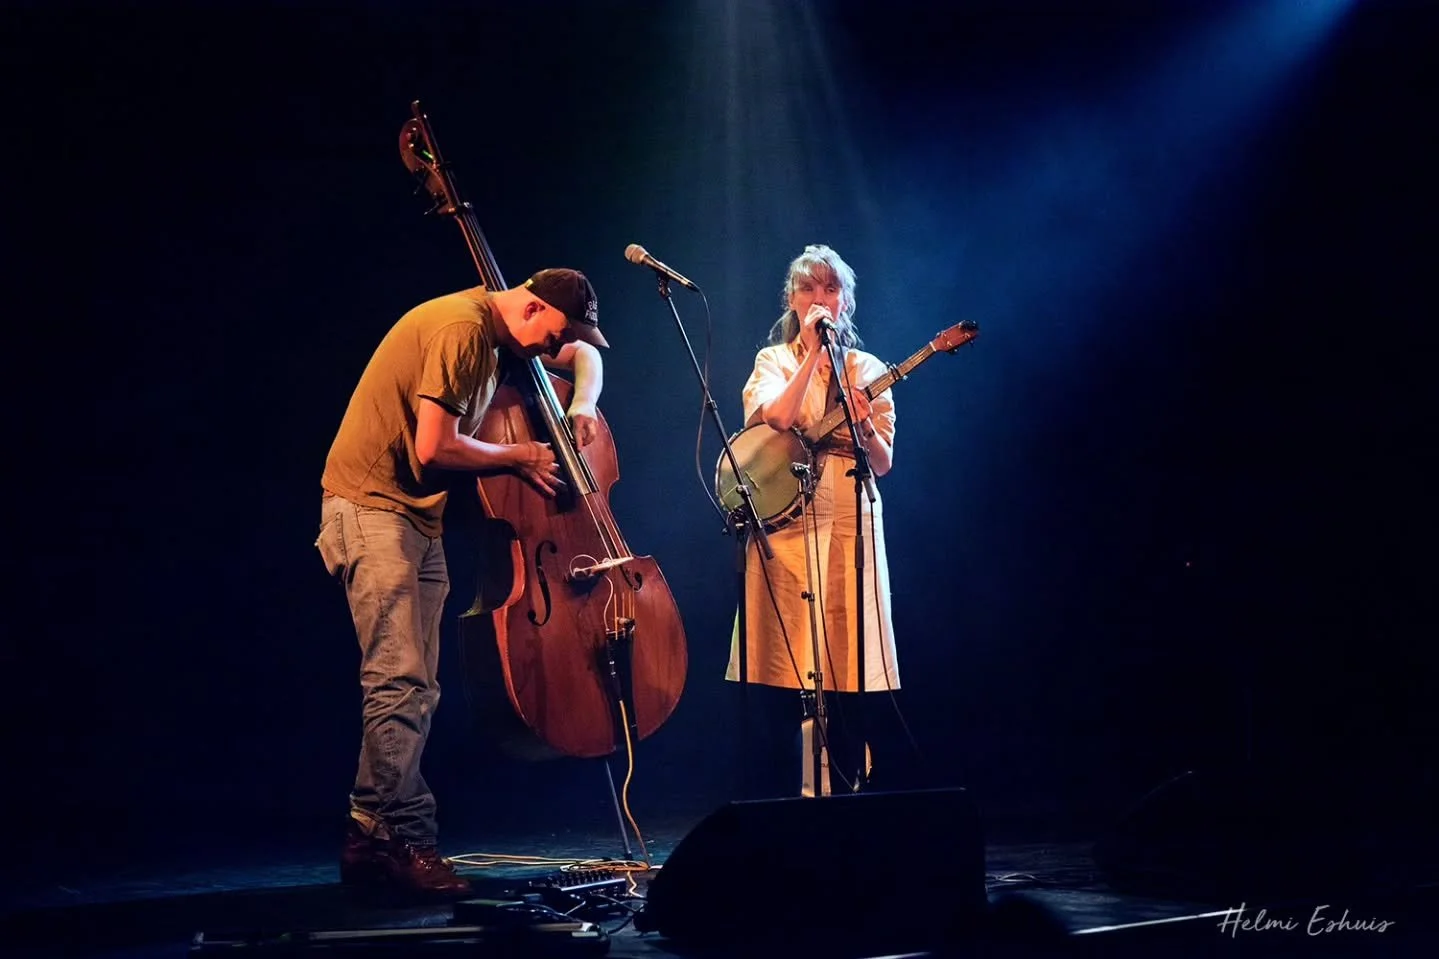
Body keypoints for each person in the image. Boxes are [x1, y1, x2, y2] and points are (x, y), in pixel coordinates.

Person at [316, 268, 606, 898]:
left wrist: (581, 405)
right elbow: (432, 448)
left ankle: (368, 836)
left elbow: (583, 355)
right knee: (399, 681)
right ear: (530, 308)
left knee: (416, 687)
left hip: (415, 518)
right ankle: (405, 840)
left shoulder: (511, 332)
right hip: (370, 510)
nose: (548, 349)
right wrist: (519, 456)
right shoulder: (462, 331)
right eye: (552, 331)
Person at [728, 244, 899, 797]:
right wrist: (810, 357)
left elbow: (882, 462)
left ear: (845, 302)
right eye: (808, 289)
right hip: (787, 526)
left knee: (847, 661)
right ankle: (784, 799)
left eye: (829, 290)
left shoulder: (868, 370)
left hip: (850, 519)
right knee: (786, 662)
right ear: (792, 300)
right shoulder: (772, 361)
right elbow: (777, 416)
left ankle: (848, 793)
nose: (819, 298)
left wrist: (865, 420)